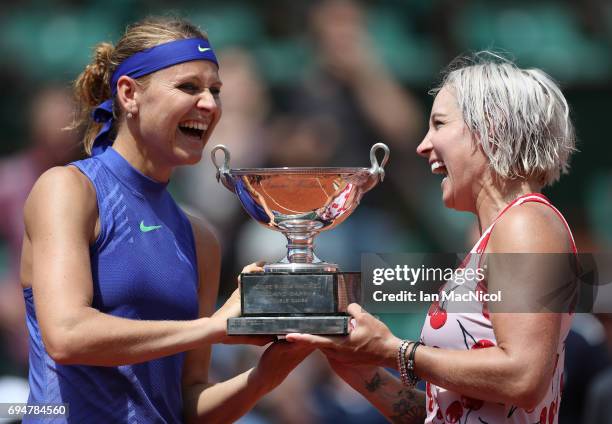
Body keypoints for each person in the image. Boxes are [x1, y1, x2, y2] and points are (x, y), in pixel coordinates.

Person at [20, 17, 312, 423]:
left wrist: (265, 376)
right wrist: (214, 327)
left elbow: (187, 405)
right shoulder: (67, 189)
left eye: (215, 90)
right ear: (129, 94)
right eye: (189, 87)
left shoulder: (200, 238)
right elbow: (67, 335)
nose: (209, 104)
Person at [287, 51, 577, 423]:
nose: (423, 145)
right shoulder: (504, 229)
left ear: (490, 126)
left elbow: (523, 376)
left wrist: (395, 351)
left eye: (439, 124)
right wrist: (364, 370)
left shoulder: (525, 224)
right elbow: (448, 413)